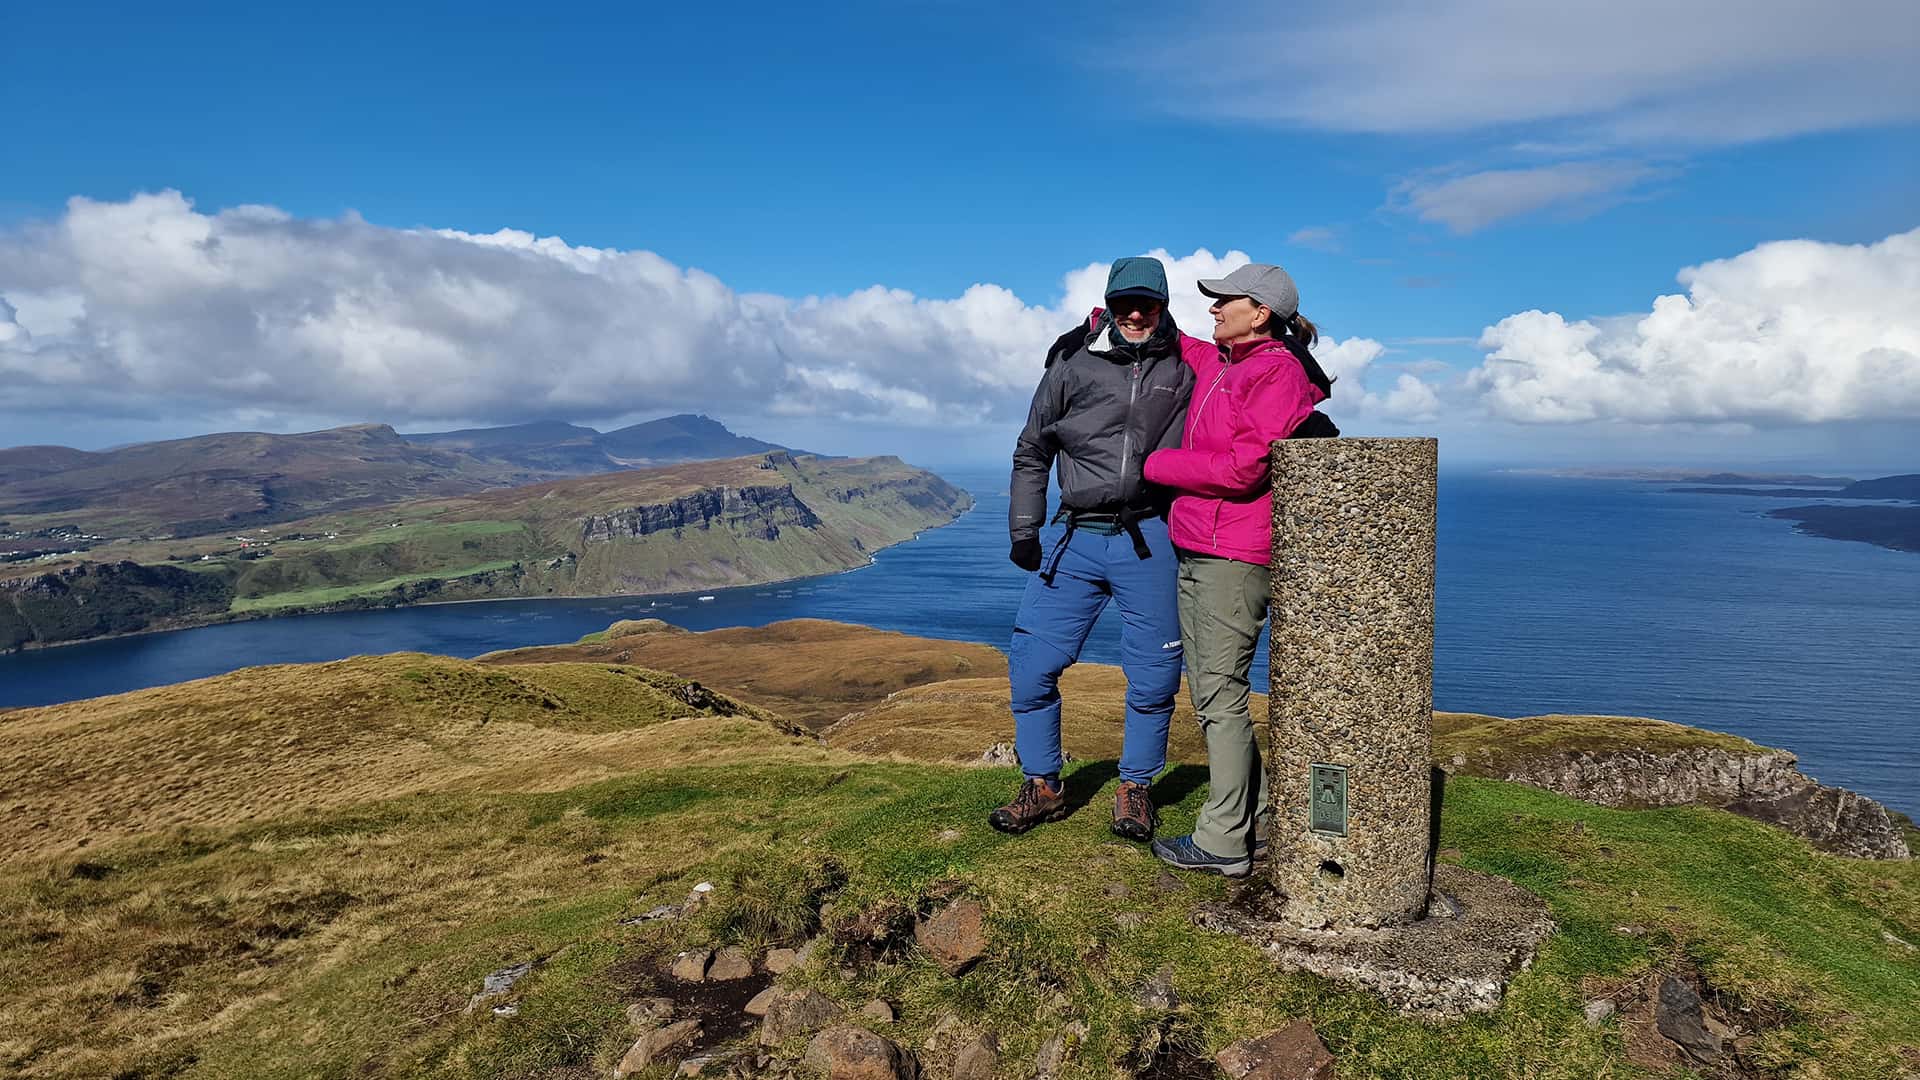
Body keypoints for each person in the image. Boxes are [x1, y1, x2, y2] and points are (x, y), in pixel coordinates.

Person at [990, 256, 1198, 841]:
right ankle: (1044, 786)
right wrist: (1024, 530)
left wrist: (1303, 413)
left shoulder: (1188, 363)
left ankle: (1134, 788)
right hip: (1074, 537)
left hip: (1150, 535)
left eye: (1147, 304)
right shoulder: (1069, 363)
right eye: (1124, 303)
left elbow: (1252, 386)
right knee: (1031, 667)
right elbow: (1032, 450)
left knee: (1156, 675)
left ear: (1163, 305)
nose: (1135, 314)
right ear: (1108, 303)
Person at [1140, 263, 1335, 877]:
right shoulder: (1226, 361)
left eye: (1227, 300)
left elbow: (1245, 469)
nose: (1214, 307)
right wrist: (1112, 314)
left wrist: (1158, 465)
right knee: (1211, 691)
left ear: (1263, 312)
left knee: (1219, 696)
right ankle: (1255, 818)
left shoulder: (1273, 371)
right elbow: (1189, 344)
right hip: (1207, 546)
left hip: (1232, 553)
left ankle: (1225, 840)